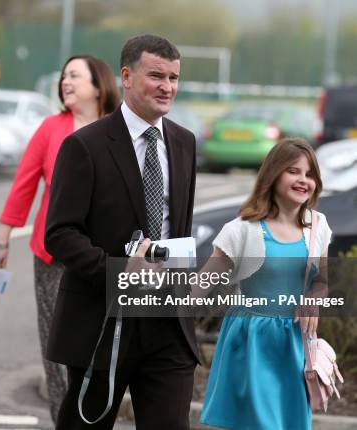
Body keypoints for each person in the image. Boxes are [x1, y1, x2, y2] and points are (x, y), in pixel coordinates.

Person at [44, 34, 200, 429]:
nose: (167, 87)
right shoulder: (84, 146)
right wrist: (119, 270)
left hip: (167, 322)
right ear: (126, 76)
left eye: (174, 78)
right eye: (156, 76)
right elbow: (60, 234)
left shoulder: (184, 143)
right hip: (102, 321)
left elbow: (176, 226)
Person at [0, 54, 120, 422]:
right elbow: (24, 183)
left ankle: (92, 416)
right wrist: (3, 237)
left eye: (75, 77)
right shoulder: (51, 128)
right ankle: (61, 419)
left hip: (103, 256)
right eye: (64, 76)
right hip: (54, 256)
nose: (66, 82)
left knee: (99, 343)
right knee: (57, 345)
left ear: (99, 85)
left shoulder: (118, 130)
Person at [197, 138, 330, 430]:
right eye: (293, 171)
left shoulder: (319, 226)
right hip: (251, 341)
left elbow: (322, 281)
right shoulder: (241, 230)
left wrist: (315, 297)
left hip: (295, 344)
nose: (303, 180)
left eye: (309, 174)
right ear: (273, 174)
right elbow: (198, 288)